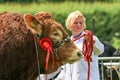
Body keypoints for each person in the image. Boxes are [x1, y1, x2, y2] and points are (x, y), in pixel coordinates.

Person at [55, 10, 104, 80]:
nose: (79, 25)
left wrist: (92, 42)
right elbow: (65, 70)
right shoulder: (67, 43)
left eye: (81, 23)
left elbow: (100, 50)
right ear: (69, 24)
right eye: (75, 23)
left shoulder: (91, 38)